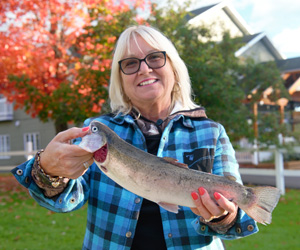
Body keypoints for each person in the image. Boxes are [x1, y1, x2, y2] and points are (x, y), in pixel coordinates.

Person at [12, 25, 258, 250]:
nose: (144, 68)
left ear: (173, 66)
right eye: (130, 63)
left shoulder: (211, 132)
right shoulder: (97, 129)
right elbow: (68, 201)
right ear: (120, 79)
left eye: (154, 58)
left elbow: (237, 220)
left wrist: (224, 215)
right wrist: (48, 172)